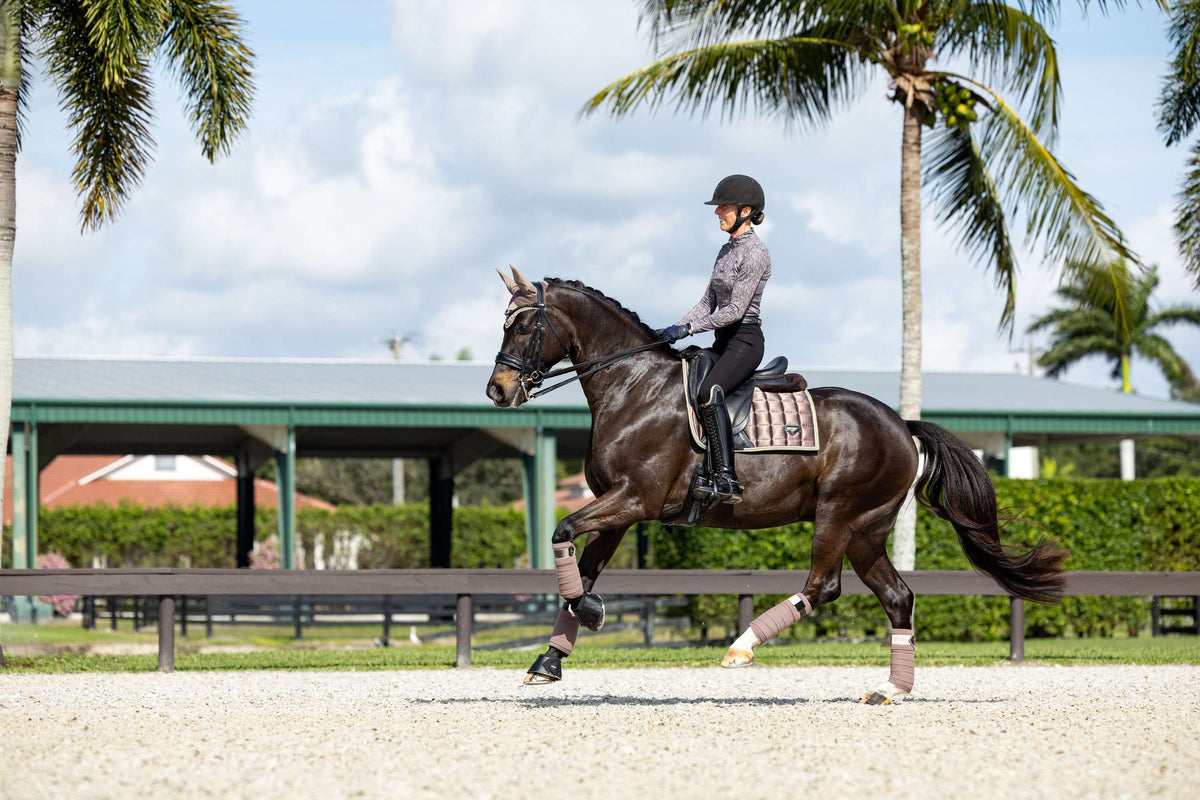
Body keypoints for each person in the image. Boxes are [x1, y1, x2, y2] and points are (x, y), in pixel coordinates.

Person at [656, 174, 771, 505]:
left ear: (746, 210)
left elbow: (734, 311)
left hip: (745, 340)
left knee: (709, 392)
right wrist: (671, 330)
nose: (717, 212)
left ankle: (726, 477)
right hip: (723, 340)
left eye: (724, 207)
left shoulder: (756, 253)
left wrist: (690, 330)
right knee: (687, 380)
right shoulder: (725, 251)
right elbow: (707, 303)